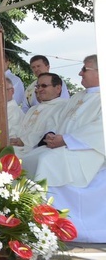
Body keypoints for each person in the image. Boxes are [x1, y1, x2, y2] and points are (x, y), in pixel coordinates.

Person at [19, 55, 105, 242]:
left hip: (88, 151)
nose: (79, 73)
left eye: (84, 69)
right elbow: (62, 121)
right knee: (29, 158)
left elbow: (100, 130)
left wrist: (66, 140)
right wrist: (52, 135)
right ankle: (26, 216)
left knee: (45, 161)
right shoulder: (79, 96)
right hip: (64, 145)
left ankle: (46, 222)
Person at [10, 73, 67, 154]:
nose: (39, 89)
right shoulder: (33, 109)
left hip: (38, 150)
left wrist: (24, 141)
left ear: (58, 88)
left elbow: (50, 132)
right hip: (19, 146)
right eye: (38, 86)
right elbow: (21, 126)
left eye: (44, 86)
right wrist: (13, 138)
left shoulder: (63, 107)